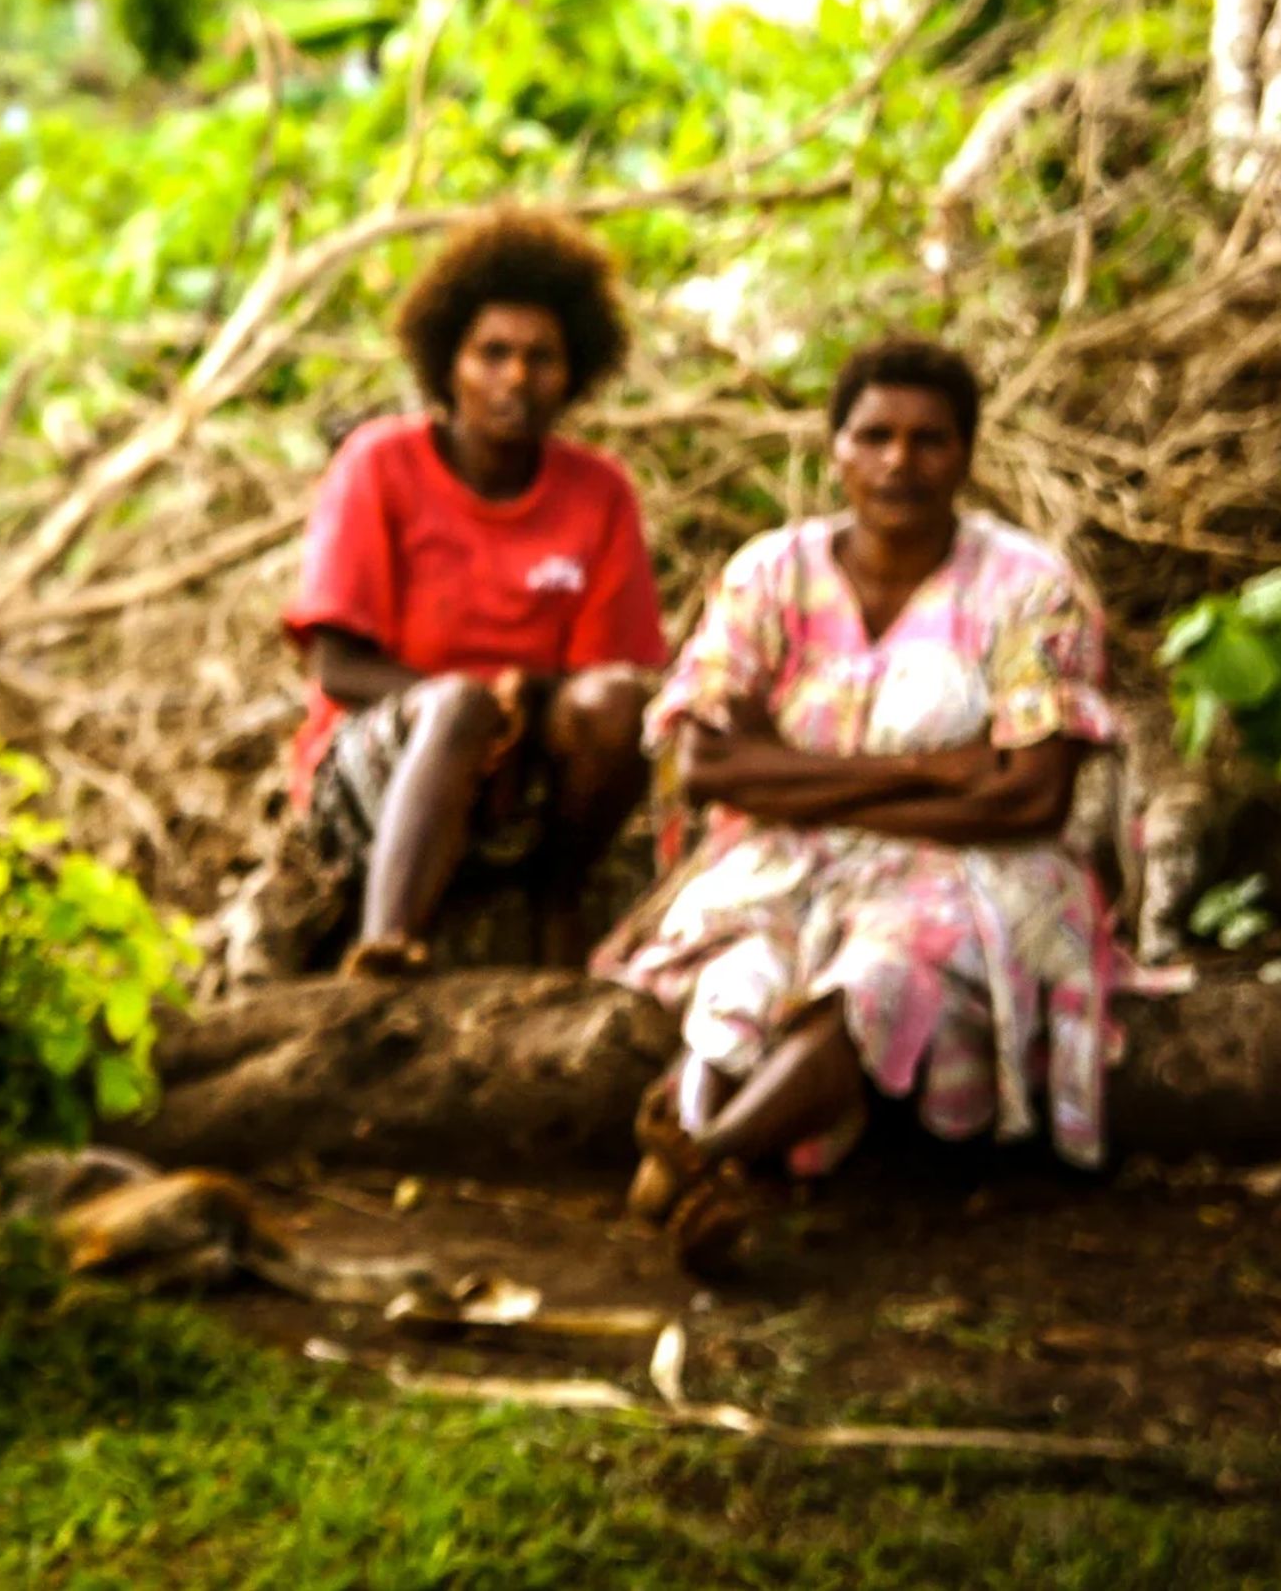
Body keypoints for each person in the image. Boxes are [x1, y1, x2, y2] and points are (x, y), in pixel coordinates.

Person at [607, 338, 1118, 1276]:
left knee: (880, 978)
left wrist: (793, 772)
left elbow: (1033, 800)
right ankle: (714, 1155)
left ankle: (699, 1162)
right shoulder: (771, 576)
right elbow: (710, 769)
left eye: (929, 440)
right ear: (835, 448)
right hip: (793, 860)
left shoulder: (1028, 590)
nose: (899, 462)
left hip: (977, 869)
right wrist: (935, 773)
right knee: (745, 977)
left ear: (967, 454)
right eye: (874, 435)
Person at [260, 208, 668, 978]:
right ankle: (386, 943)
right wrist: (475, 706)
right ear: (448, 363)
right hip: (387, 754)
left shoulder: (598, 493)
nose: (517, 377)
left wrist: (524, 702)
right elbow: (339, 670)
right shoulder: (380, 465)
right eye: (493, 354)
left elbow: (611, 685)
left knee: (615, 701)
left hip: (532, 765)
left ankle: (560, 896)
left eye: (541, 357)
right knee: (459, 708)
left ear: (574, 371)